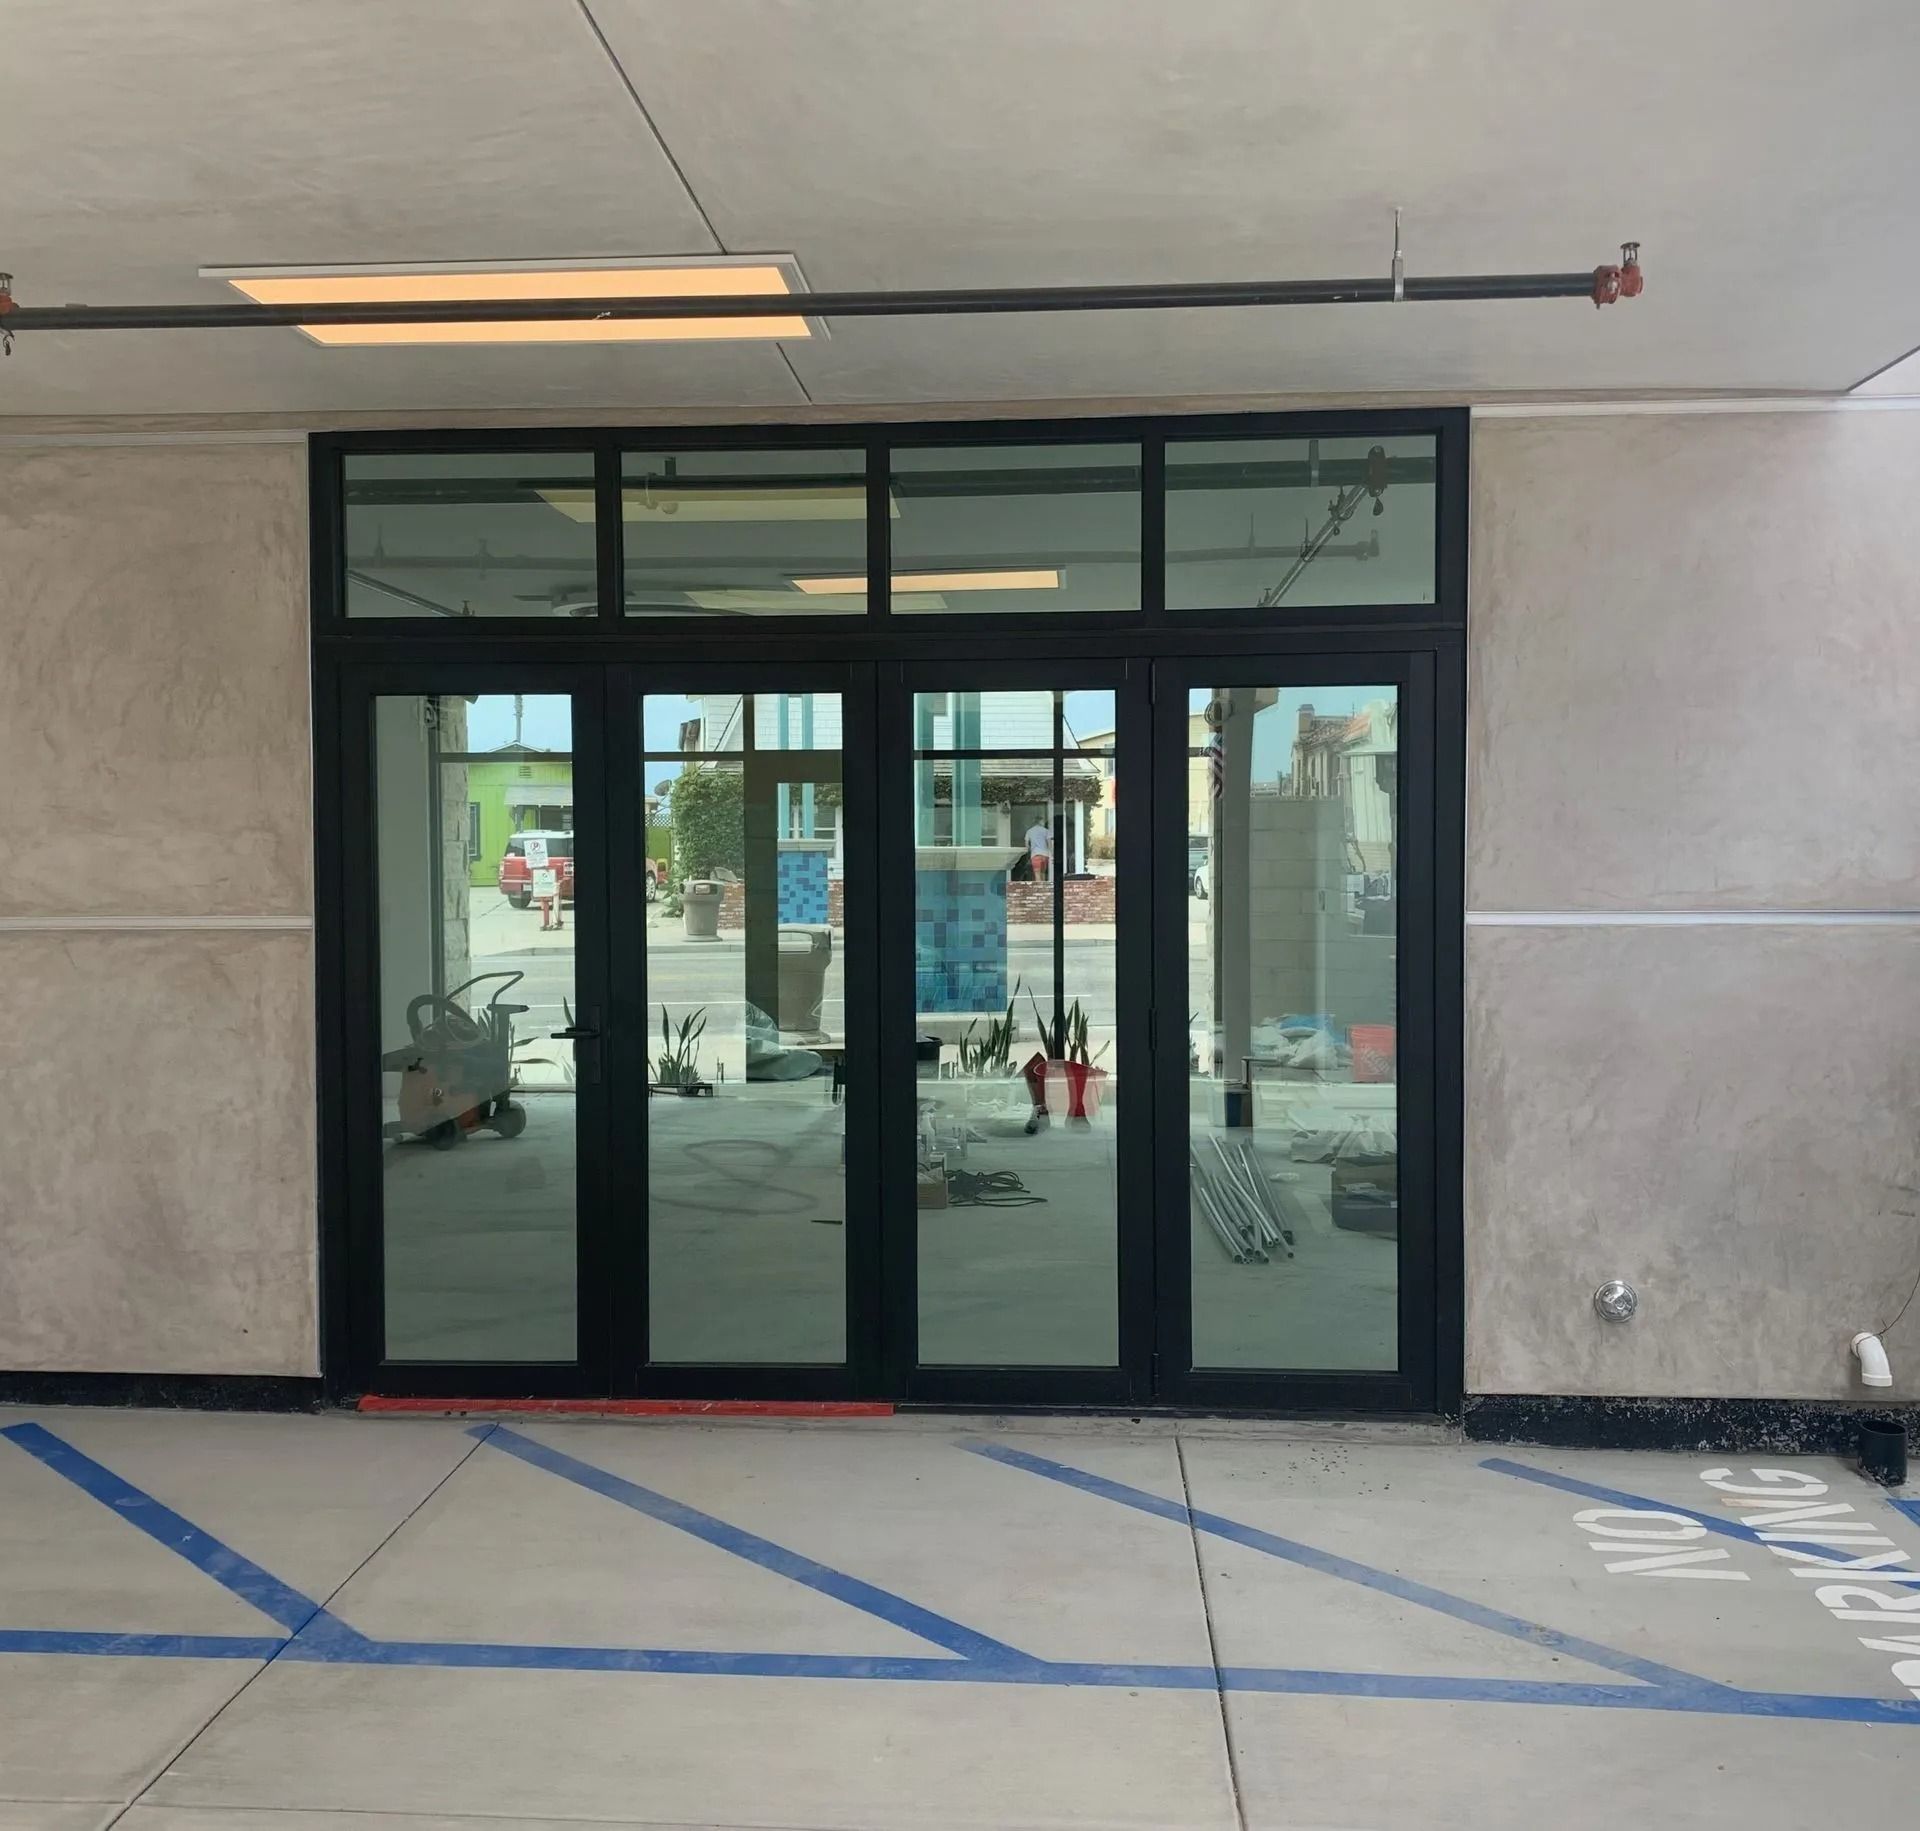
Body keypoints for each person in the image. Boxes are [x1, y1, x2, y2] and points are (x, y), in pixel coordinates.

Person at [1024, 817, 1053, 883]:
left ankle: (1040, 889)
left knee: (1037, 874)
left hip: (1035, 855)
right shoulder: (1046, 831)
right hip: (1045, 855)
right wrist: (1052, 854)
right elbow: (1049, 844)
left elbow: (1026, 844)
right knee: (1043, 873)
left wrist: (1029, 852)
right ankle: (1044, 890)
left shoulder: (1029, 831)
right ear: (1040, 822)